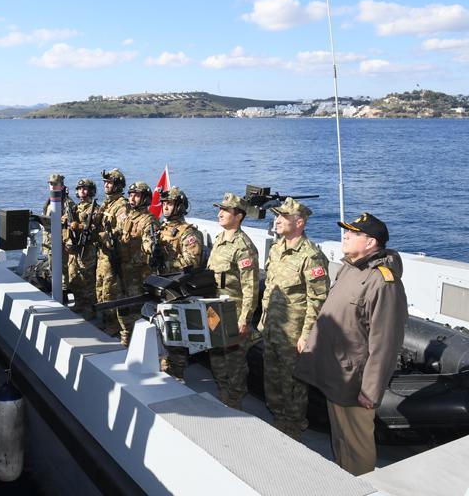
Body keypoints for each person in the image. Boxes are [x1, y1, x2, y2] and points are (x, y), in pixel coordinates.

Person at [295, 213, 407, 475]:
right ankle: (344, 479)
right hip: (336, 372)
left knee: (357, 445)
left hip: (354, 380)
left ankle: (361, 485)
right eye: (346, 231)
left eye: (353, 233)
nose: (345, 236)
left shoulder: (383, 282)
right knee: (340, 437)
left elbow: (385, 343)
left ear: (371, 242)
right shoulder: (349, 268)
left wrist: (370, 391)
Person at [259, 197, 329, 439]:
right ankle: (278, 419)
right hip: (272, 327)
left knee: (293, 384)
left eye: (283, 216)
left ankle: (294, 427)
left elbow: (317, 300)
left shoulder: (311, 256)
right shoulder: (277, 248)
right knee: (272, 378)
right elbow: (270, 288)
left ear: (299, 222)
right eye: (276, 216)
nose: (277, 220)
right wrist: (263, 322)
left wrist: (306, 335)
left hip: (293, 333)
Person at [204, 193, 260, 409]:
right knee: (216, 356)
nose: (220, 213)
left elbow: (250, 287)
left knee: (235, 361)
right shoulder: (220, 239)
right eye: (220, 209)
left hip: (233, 312)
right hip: (214, 310)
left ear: (238, 216)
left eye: (225, 210)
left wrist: (244, 320)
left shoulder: (244, 246)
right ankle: (222, 394)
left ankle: (235, 401)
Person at [141, 186, 204, 379]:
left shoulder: (189, 233)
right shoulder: (161, 229)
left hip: (177, 290)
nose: (165, 207)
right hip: (161, 286)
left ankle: (177, 373)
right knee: (160, 329)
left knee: (175, 335)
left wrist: (167, 263)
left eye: (169, 203)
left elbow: (192, 262)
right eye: (164, 203)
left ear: (180, 206)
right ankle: (164, 365)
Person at [115, 181, 159, 346]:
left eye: (137, 195)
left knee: (136, 308)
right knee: (122, 306)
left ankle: (138, 343)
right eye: (131, 195)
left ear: (145, 198)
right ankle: (126, 335)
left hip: (138, 273)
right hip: (123, 269)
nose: (132, 198)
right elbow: (119, 233)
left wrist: (145, 248)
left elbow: (149, 247)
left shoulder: (149, 221)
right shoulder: (128, 217)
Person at [94, 168, 130, 337]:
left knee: (110, 291)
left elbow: (122, 231)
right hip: (102, 254)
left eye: (110, 183)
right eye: (105, 183)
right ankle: (106, 320)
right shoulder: (107, 204)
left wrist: (106, 235)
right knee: (100, 289)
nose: (106, 186)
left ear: (117, 185)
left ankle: (114, 325)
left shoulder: (121, 206)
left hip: (112, 254)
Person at [65, 178, 98, 320]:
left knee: (87, 280)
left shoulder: (94, 209)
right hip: (74, 249)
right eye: (79, 189)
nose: (81, 191)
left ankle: (90, 308)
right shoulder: (75, 208)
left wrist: (79, 226)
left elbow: (95, 228)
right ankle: (78, 303)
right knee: (74, 277)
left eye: (84, 189)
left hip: (87, 249)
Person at [40, 173, 76, 292]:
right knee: (52, 267)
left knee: (62, 270)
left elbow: (70, 222)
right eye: (51, 184)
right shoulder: (50, 201)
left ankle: (63, 292)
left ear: (62, 186)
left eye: (55, 184)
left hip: (61, 242)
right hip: (50, 241)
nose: (53, 186)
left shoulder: (67, 202)